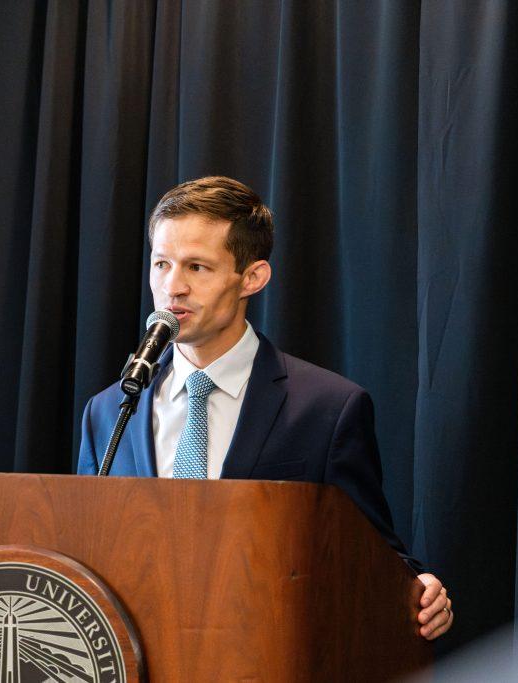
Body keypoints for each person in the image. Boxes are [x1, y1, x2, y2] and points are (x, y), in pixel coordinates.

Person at [78, 176, 453, 640]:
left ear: (251, 277)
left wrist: (418, 586)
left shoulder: (328, 408)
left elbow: (369, 550)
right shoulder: (110, 410)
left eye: (197, 267)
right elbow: (85, 547)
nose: (172, 287)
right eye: (161, 264)